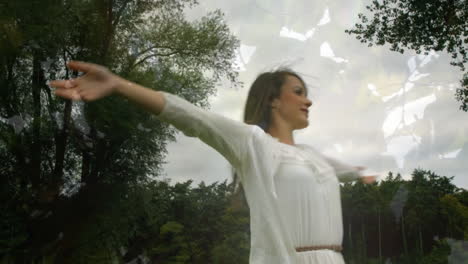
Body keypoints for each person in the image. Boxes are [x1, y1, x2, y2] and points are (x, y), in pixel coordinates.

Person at [51, 61, 376, 264]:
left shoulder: (312, 156)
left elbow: (339, 169)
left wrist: (361, 175)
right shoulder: (254, 144)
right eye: (298, 92)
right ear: (274, 100)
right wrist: (119, 84)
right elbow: (193, 117)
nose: (308, 100)